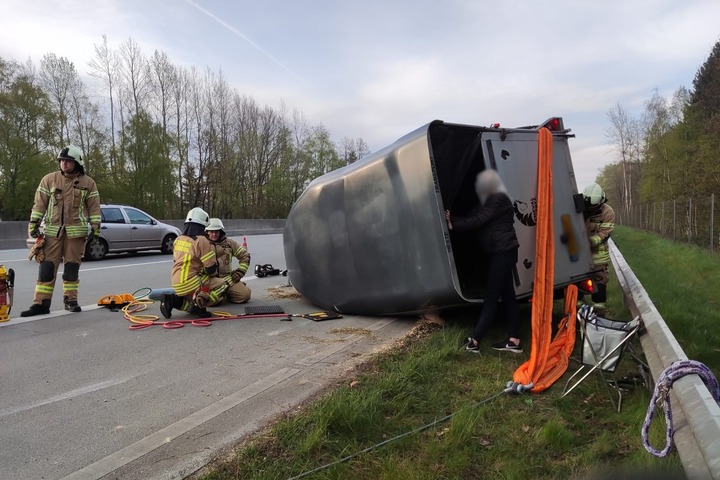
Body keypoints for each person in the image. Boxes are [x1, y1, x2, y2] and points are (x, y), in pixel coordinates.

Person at [445, 169, 522, 353]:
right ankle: (514, 341)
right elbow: (472, 216)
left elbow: (478, 221)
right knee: (509, 297)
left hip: (503, 253)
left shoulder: (498, 199)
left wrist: (453, 225)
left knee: (491, 296)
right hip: (503, 252)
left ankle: (475, 340)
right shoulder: (490, 200)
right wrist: (451, 218)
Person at [20, 145, 101, 317]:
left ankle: (70, 301)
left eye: (68, 161)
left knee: (72, 269)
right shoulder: (49, 179)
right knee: (46, 269)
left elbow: (94, 208)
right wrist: (33, 224)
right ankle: (41, 304)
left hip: (76, 234)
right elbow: (39, 204)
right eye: (62, 161)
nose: (64, 164)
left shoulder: (88, 183)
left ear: (77, 162)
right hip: (52, 233)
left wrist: (96, 230)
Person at [160, 207, 228, 319]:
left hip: (176, 282)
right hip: (190, 282)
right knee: (223, 284)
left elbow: (177, 261)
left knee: (196, 289)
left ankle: (173, 301)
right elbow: (211, 269)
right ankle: (200, 303)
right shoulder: (201, 240)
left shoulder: (179, 239)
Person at [582, 183, 615, 311]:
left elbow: (604, 234)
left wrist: (588, 242)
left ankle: (599, 312)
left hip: (598, 256)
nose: (591, 210)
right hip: (579, 255)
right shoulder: (579, 208)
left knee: (599, 281)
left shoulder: (608, 212)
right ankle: (577, 309)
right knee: (577, 280)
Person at [205, 218, 251, 304]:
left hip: (228, 279)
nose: (214, 234)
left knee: (245, 296)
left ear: (221, 231)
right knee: (211, 302)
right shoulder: (202, 244)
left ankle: (230, 291)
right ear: (206, 232)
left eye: (216, 232)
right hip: (210, 281)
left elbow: (245, 256)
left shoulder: (229, 243)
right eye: (211, 232)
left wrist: (240, 272)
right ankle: (222, 294)